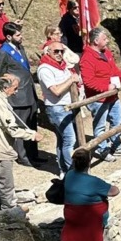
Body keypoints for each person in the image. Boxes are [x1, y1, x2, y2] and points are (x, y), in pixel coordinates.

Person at [0, 75, 41, 211]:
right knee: (6, 181)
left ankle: (10, 202)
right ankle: (9, 210)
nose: (16, 91)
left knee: (5, 179)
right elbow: (12, 130)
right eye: (15, 88)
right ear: (5, 88)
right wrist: (31, 135)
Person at [78, 27, 121, 161]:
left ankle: (116, 145)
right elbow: (88, 81)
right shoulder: (87, 58)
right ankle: (102, 149)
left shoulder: (106, 52)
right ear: (96, 41)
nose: (107, 41)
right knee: (100, 126)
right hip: (99, 99)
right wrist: (105, 87)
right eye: (104, 39)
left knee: (118, 120)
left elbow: (114, 69)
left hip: (112, 95)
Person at [0, 22, 39, 166]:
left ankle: (33, 154)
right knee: (21, 125)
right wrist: (7, 88)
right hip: (17, 95)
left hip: (29, 91)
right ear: (8, 36)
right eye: (18, 35)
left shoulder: (20, 47)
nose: (21, 37)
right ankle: (23, 157)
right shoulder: (3, 52)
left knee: (31, 124)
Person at [61, 147, 119, 241]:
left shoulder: (69, 175)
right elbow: (114, 191)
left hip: (73, 217)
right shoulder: (94, 182)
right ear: (89, 162)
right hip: (91, 222)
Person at [37, 40, 80, 173]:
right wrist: (71, 79)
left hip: (67, 106)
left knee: (63, 140)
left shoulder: (62, 66)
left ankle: (64, 170)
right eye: (56, 51)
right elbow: (55, 91)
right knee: (69, 139)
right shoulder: (45, 69)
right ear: (48, 52)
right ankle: (71, 170)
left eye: (62, 51)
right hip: (57, 108)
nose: (60, 54)